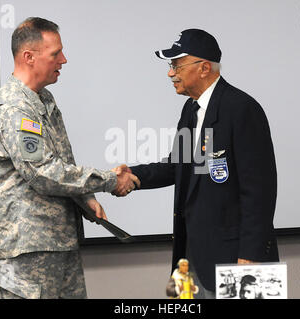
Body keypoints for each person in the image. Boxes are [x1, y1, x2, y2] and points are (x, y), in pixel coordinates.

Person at [0, 17, 139, 299]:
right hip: (27, 251)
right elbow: (43, 172)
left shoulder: (45, 99)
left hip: (59, 242)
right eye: (56, 54)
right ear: (29, 57)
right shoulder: (13, 108)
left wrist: (85, 198)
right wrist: (110, 180)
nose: (63, 60)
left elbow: (61, 162)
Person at [114, 29, 279, 298]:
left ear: (204, 68)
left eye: (177, 65)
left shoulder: (242, 109)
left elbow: (260, 192)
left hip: (238, 262)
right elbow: (177, 166)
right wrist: (133, 175)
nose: (171, 73)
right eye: (171, 66)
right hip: (190, 260)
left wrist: (250, 256)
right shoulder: (191, 110)